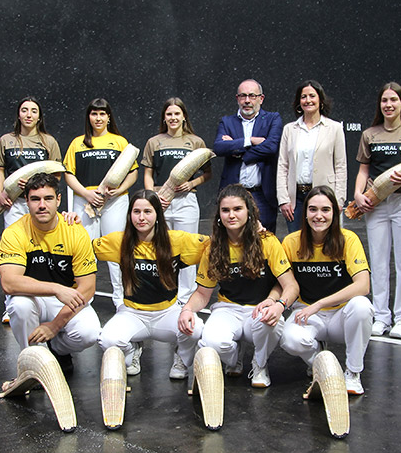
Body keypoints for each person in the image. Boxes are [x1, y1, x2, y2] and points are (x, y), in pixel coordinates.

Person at [178, 185, 299, 388]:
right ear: (219, 215)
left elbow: (291, 286)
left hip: (259, 309)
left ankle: (260, 364)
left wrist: (279, 305)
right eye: (225, 210)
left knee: (274, 323)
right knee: (212, 342)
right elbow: (202, 293)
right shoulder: (213, 247)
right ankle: (234, 359)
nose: (231, 215)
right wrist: (187, 309)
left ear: (249, 211)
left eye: (237, 209)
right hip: (228, 309)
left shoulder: (267, 241)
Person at [94, 191, 209, 378]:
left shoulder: (177, 240)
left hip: (167, 313)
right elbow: (81, 245)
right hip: (132, 314)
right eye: (136, 212)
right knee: (107, 340)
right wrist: (69, 223)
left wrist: (252, 230)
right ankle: (132, 350)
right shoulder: (118, 241)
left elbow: (216, 245)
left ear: (157, 215)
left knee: (196, 330)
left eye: (147, 212)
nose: (141, 217)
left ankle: (181, 358)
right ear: (130, 214)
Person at [0, 173, 101, 371]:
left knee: (89, 332)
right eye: (35, 199)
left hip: (65, 298)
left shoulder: (75, 231)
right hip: (32, 297)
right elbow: (9, 283)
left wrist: (54, 326)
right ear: (27, 201)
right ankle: (34, 362)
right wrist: (55, 288)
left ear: (58, 200)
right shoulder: (14, 233)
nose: (42, 205)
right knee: (19, 306)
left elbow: (87, 288)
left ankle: (57, 349)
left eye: (48, 198)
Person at [280, 186, 374, 395]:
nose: (319, 216)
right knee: (290, 339)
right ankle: (320, 364)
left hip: (341, 316)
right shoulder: (291, 242)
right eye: (313, 209)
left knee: (362, 307)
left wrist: (320, 304)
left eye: (325, 210)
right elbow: (284, 283)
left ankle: (353, 373)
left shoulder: (348, 239)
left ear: (335, 212)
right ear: (305, 213)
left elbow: (363, 285)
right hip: (308, 315)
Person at [353, 82, 401, 339]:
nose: (388, 105)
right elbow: (363, 170)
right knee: (378, 261)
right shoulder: (369, 134)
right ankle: (382, 316)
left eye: (393, 100)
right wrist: (358, 194)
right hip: (376, 204)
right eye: (384, 100)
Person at [63, 98, 138, 308]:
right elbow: (68, 174)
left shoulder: (120, 142)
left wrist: (119, 190)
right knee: (85, 249)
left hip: (114, 202)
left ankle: (121, 301)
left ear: (108, 117)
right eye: (94, 113)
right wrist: (86, 194)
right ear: (88, 117)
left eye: (102, 114)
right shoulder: (77, 143)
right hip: (85, 202)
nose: (98, 118)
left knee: (116, 248)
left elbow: (132, 173)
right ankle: (84, 300)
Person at [0, 96, 62, 323]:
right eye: (24, 110)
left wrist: (36, 184)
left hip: (40, 205)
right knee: (15, 251)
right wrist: (0, 192)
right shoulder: (6, 140)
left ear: (39, 116)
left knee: (41, 251)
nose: (29, 114)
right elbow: (0, 169)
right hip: (15, 204)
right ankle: (11, 306)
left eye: (33, 110)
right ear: (18, 114)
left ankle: (46, 303)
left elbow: (57, 174)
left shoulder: (48, 141)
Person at [141, 97, 212, 303]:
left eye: (177, 114)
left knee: (187, 248)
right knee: (162, 247)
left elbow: (207, 173)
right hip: (160, 201)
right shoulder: (153, 142)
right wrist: (152, 198)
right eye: (169, 114)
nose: (173, 118)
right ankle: (165, 292)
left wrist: (192, 184)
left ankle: (186, 297)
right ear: (164, 117)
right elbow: (148, 174)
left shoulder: (195, 142)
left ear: (183, 117)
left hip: (186, 201)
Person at [276, 79, 347, 232]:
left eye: (312, 96)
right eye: (303, 97)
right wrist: (283, 200)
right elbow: (283, 166)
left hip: (325, 197)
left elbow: (341, 166)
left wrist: (338, 200)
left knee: (325, 242)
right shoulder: (290, 129)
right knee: (297, 242)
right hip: (295, 199)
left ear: (320, 100)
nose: (308, 100)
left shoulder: (334, 128)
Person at [213, 80, 283, 231]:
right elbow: (219, 148)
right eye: (243, 96)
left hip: (262, 195)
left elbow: (271, 147)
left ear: (261, 98)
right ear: (237, 98)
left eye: (252, 96)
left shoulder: (272, 119)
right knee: (232, 239)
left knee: (264, 239)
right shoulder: (227, 122)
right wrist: (249, 140)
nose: (247, 101)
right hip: (232, 195)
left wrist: (239, 151)